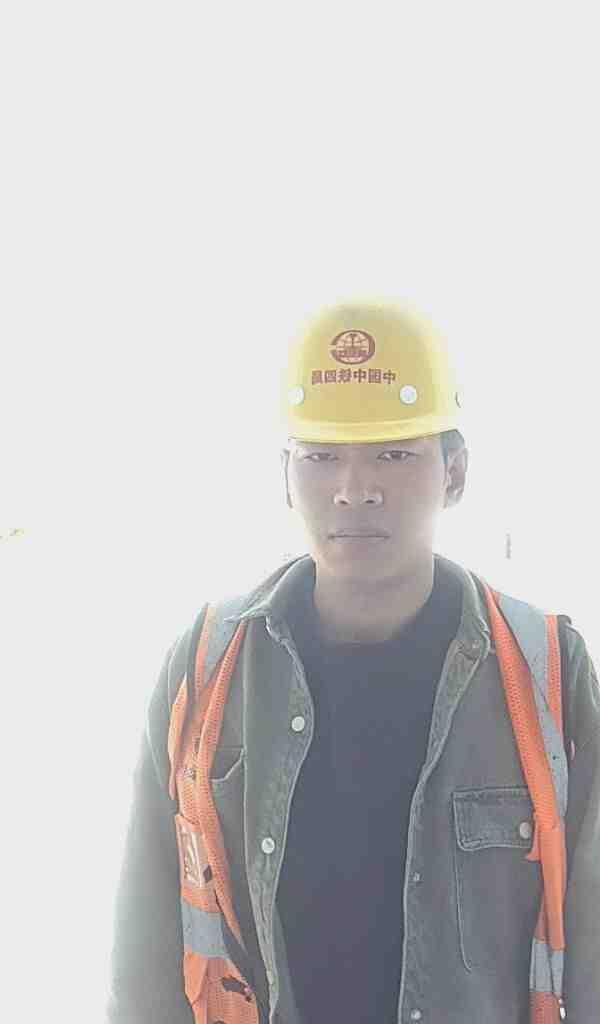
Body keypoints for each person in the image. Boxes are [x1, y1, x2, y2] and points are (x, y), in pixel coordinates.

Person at [106, 300, 600, 1024]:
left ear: (455, 472)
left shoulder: (544, 672)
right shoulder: (209, 668)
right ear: (286, 475)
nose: (354, 489)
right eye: (322, 456)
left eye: (394, 454)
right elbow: (145, 954)